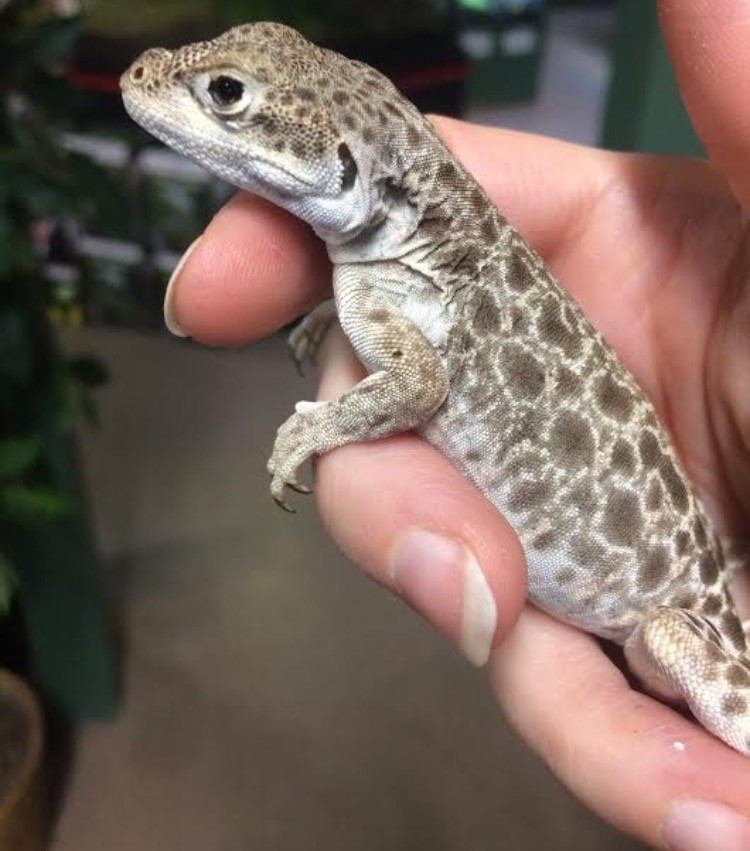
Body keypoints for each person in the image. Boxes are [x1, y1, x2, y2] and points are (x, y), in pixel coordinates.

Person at [161, 2, 750, 847]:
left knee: (680, 658)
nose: (160, 80)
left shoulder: (401, 272)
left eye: (225, 94)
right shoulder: (390, 264)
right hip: (689, 569)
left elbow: (419, 381)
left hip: (670, 611)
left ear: (340, 159)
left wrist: (322, 425)